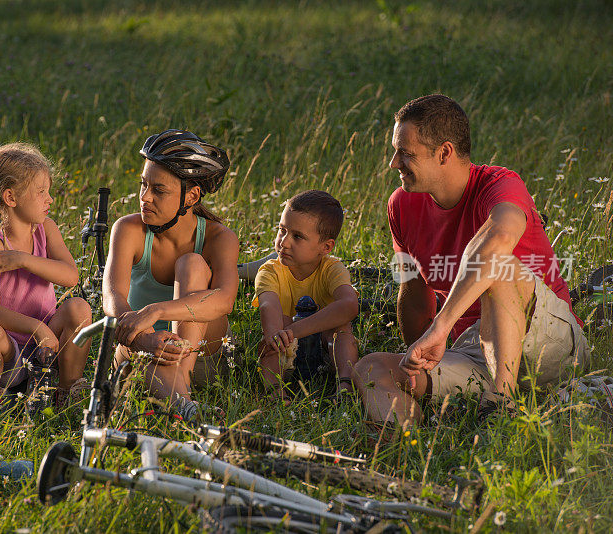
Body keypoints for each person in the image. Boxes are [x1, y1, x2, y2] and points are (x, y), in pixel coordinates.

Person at [353, 94, 590, 424]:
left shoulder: (500, 185)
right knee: (370, 368)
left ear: (444, 153)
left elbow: (499, 240)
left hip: (549, 345)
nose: (394, 163)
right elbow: (414, 298)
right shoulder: (401, 205)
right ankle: (403, 448)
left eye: (405, 153)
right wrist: (418, 356)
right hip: (476, 352)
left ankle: (500, 409)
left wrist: (441, 326)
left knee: (499, 266)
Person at [103, 129, 239, 419]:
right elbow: (112, 297)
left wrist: (155, 311)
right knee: (129, 334)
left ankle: (178, 387)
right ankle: (185, 406)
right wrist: (142, 339)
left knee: (191, 264)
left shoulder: (219, 237)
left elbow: (225, 300)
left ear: (190, 196)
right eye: (143, 185)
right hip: (143, 351)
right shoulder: (127, 229)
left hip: (202, 356)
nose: (145, 197)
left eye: (159, 191)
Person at [0, 142, 92, 411]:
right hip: (10, 351)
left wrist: (23, 260)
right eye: (41, 192)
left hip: (49, 346)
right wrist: (36, 328)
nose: (50, 199)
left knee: (79, 308)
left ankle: (66, 391)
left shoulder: (46, 229)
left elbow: (71, 277)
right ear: (10, 198)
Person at [253, 190, 359, 402]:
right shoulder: (269, 271)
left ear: (325, 246)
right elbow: (268, 306)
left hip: (325, 346)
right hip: (287, 349)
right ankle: (275, 391)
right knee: (274, 335)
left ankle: (345, 384)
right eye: (282, 230)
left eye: (297, 236)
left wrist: (296, 329)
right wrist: (281, 332)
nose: (284, 242)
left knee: (342, 329)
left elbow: (349, 305)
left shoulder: (332, 269)